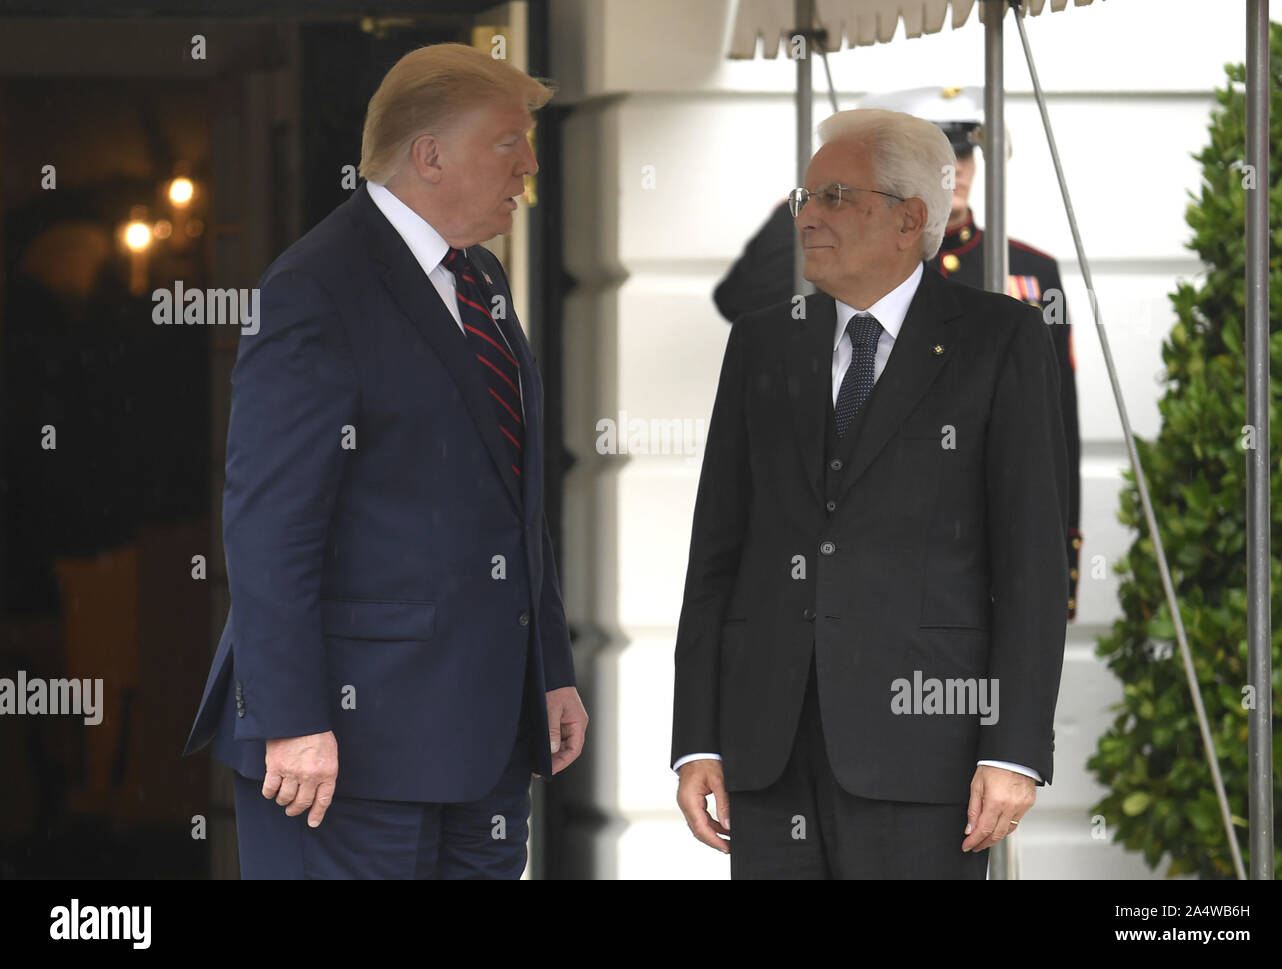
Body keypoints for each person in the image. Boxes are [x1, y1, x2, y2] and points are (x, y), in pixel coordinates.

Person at [183, 43, 587, 879]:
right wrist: (293, 719)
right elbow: (269, 525)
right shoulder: (316, 287)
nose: (530, 165)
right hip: (341, 754)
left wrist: (548, 670)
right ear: (430, 154)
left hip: (483, 743)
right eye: (509, 141)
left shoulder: (481, 280)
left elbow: (513, 503)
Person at [673, 108, 1069, 878]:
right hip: (767, 751)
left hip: (926, 754)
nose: (806, 217)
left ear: (907, 219)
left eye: (833, 197)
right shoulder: (763, 339)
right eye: (804, 197)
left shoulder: (1001, 339)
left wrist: (1015, 748)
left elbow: (1031, 565)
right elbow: (716, 553)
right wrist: (698, 737)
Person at [714, 86, 1082, 619]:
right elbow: (740, 296)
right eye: (935, 160)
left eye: (962, 154)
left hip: (960, 564)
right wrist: (819, 199)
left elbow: (1056, 426)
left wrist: (1061, 549)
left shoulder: (1029, 271)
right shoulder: (862, 256)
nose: (953, 171)